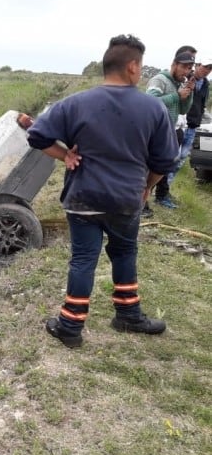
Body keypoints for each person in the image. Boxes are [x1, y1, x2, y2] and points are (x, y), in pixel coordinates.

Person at [26, 34, 178, 348]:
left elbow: (37, 134)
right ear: (133, 66)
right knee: (124, 252)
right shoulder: (152, 109)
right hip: (126, 198)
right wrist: (147, 187)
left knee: (83, 259)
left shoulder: (75, 103)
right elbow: (166, 159)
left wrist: (65, 154)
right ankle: (128, 315)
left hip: (83, 197)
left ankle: (70, 326)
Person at [144, 49, 196, 210]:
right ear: (174, 64)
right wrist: (176, 96)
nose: (186, 71)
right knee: (146, 168)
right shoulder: (160, 80)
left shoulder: (178, 84)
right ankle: (141, 204)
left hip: (168, 131)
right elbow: (150, 102)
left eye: (189, 68)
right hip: (153, 131)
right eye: (184, 67)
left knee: (162, 166)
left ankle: (146, 198)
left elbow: (182, 110)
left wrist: (189, 92)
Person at [174, 56, 212, 185]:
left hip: (193, 125)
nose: (207, 70)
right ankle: (160, 191)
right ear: (197, 65)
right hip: (180, 124)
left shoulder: (206, 84)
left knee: (182, 157)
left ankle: (166, 187)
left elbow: (202, 105)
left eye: (210, 68)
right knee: (172, 157)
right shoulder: (184, 78)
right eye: (205, 67)